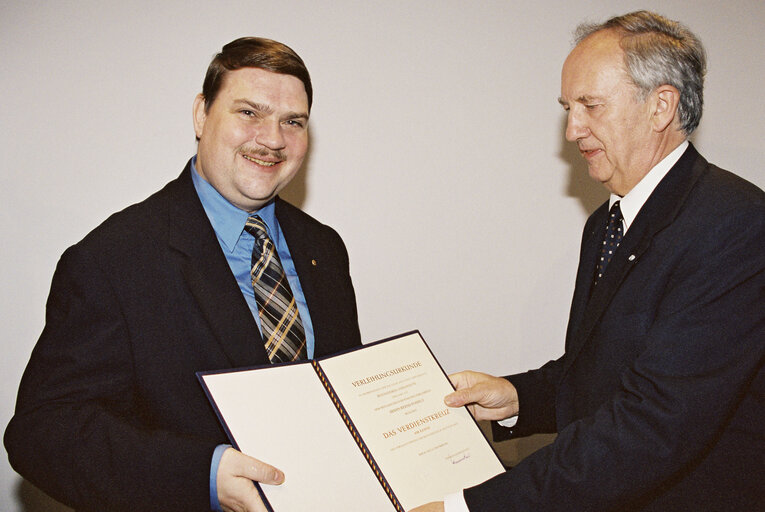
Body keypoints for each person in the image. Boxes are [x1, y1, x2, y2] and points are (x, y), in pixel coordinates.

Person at [411, 10, 764, 512]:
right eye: (567, 107)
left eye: (590, 105)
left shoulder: (736, 225)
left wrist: (469, 506)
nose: (573, 129)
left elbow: (652, 423)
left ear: (660, 106)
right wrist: (517, 397)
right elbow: (600, 372)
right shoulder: (606, 222)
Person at [4, 37, 362, 512]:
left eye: (292, 121)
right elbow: (42, 430)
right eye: (249, 113)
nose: (273, 139)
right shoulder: (113, 259)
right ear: (201, 115)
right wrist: (205, 475)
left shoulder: (325, 248)